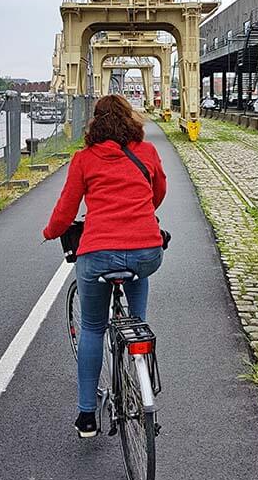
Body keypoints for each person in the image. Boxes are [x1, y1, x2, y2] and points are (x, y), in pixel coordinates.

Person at [43, 94, 167, 438]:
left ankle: (86, 416)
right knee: (137, 308)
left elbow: (66, 211)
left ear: (94, 123)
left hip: (97, 255)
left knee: (94, 329)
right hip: (146, 250)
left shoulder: (84, 159)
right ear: (130, 120)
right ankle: (138, 353)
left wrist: (50, 232)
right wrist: (141, 210)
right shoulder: (147, 153)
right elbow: (158, 192)